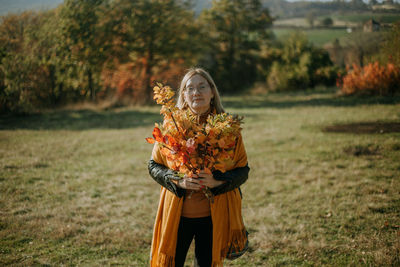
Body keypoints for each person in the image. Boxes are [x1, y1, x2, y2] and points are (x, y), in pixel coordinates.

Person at [148, 68, 250, 267]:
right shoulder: (172, 126)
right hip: (177, 216)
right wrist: (178, 180)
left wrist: (217, 181)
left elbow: (243, 170)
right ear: (184, 96)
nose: (196, 92)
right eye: (190, 88)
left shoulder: (229, 129)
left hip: (213, 218)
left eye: (202, 86)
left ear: (212, 92)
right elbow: (153, 165)